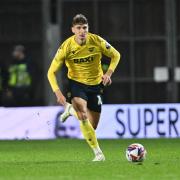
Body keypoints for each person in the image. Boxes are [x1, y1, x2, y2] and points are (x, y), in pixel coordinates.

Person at [47, 14, 121, 161]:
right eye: (79, 28)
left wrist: (108, 74)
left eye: (85, 28)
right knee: (82, 115)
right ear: (73, 30)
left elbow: (116, 55)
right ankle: (98, 154)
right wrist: (58, 93)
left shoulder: (97, 41)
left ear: (88, 29)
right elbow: (51, 72)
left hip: (96, 85)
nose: (82, 31)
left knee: (92, 126)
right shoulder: (66, 47)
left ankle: (69, 110)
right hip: (77, 84)